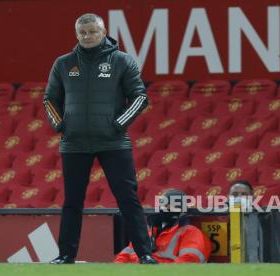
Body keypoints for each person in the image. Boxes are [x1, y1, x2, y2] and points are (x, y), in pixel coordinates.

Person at [43, 13, 156, 264]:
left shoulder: (122, 61)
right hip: (74, 143)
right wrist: (61, 125)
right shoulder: (63, 63)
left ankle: (145, 253)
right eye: (82, 33)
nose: (87, 36)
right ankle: (65, 255)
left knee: (128, 198)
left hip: (114, 142)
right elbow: (49, 99)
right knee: (72, 201)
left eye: (92, 31)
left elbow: (139, 97)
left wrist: (118, 125)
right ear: (77, 35)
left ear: (103, 32)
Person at [115, 189, 212, 263]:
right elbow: (123, 257)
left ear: (181, 209)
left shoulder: (190, 232)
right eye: (162, 206)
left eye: (168, 206)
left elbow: (190, 260)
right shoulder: (147, 232)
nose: (163, 209)